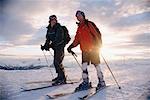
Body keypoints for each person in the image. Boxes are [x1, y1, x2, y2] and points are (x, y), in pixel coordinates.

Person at [67, 10, 106, 91]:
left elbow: (97, 34)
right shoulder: (79, 28)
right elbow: (77, 40)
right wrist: (70, 47)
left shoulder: (89, 24)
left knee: (96, 65)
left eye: (79, 15)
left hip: (94, 49)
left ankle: (101, 82)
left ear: (83, 16)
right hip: (85, 50)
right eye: (77, 16)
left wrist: (99, 45)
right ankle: (86, 82)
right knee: (84, 66)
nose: (78, 17)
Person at [41, 15, 67, 85]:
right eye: (52, 19)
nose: (53, 20)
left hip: (60, 47)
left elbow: (59, 39)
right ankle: (59, 76)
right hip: (55, 48)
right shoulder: (49, 29)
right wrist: (45, 46)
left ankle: (62, 79)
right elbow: (48, 39)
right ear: (49, 21)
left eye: (54, 19)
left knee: (57, 62)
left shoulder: (59, 28)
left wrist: (50, 45)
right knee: (56, 62)